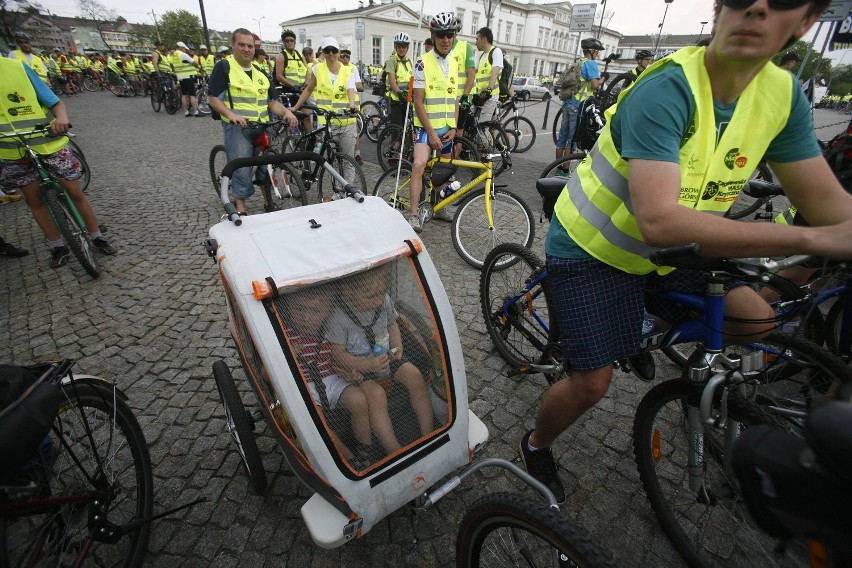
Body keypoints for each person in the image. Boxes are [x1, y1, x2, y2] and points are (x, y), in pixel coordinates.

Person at [519, 0, 852, 505]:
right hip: (595, 249)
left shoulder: (782, 95)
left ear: (806, 22)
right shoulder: (668, 86)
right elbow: (659, 220)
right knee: (592, 384)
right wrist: (809, 239)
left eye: (781, 0)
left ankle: (688, 378)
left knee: (757, 321)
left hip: (675, 253)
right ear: (719, 9)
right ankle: (536, 443)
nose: (758, 7)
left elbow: (830, 205)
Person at [0, 57, 117, 268]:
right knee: (34, 200)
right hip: (10, 151)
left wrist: (60, 118)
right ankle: (57, 245)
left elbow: (54, 101)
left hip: (47, 141)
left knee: (74, 192)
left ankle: (96, 236)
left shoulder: (15, 67)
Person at [283, 284, 399, 463]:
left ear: (328, 311)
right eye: (299, 309)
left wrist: (347, 373)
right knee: (314, 417)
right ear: (288, 309)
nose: (306, 318)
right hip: (303, 386)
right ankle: (348, 457)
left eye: (315, 311)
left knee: (359, 400)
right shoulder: (284, 334)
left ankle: (364, 449)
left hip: (332, 379)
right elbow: (266, 375)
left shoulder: (330, 329)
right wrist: (286, 356)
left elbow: (335, 360)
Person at [325, 266, 434, 450]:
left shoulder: (383, 301)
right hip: (359, 370)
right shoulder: (337, 318)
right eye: (370, 296)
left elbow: (392, 324)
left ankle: (429, 433)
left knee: (415, 375)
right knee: (376, 396)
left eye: (381, 293)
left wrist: (398, 347)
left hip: (386, 356)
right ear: (347, 292)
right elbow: (337, 354)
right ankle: (393, 448)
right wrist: (366, 365)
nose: (378, 300)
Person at [206, 28, 298, 214]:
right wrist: (231, 115)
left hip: (262, 126)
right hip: (238, 127)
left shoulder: (260, 72)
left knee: (265, 166)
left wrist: (286, 112)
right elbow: (213, 98)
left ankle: (267, 201)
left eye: (250, 46)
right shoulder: (225, 67)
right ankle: (240, 207)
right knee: (241, 167)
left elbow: (271, 102)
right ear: (233, 45)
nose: (246, 49)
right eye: (242, 45)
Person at [407, 12, 462, 232]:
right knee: (419, 164)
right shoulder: (422, 63)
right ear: (433, 35)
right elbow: (418, 103)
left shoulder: (455, 62)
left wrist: (455, 127)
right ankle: (412, 215)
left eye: (450, 34)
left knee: (445, 172)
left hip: (446, 129)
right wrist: (430, 134)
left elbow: (455, 100)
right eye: (441, 35)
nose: (446, 39)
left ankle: (440, 208)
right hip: (425, 129)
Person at [292, 37, 359, 190]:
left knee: (348, 161)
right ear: (322, 52)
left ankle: (349, 191)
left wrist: (352, 105)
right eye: (327, 50)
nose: (331, 54)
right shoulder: (317, 69)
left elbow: (350, 90)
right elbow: (309, 89)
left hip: (347, 122)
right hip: (327, 123)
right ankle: (337, 191)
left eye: (334, 50)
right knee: (333, 161)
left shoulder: (348, 71)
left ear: (338, 52)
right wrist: (296, 107)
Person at [554, 38, 605, 168]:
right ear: (592, 51)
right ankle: (565, 171)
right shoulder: (591, 64)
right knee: (572, 139)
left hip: (567, 102)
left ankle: (557, 167)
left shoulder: (577, 62)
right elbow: (594, 86)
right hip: (578, 105)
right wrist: (603, 79)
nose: (597, 54)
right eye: (597, 52)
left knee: (563, 136)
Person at [340, 45, 365, 164]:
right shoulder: (336, 68)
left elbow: (359, 85)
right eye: (343, 56)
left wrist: (351, 85)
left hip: (353, 103)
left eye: (347, 56)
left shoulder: (352, 68)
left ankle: (357, 154)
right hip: (339, 102)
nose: (345, 58)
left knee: (354, 129)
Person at [384, 33, 413, 129]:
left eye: (404, 46)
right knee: (397, 129)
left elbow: (413, 80)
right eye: (399, 46)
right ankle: (395, 144)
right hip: (395, 100)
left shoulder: (410, 62)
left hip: (407, 99)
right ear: (395, 47)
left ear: (407, 47)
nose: (401, 49)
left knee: (406, 128)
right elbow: (392, 82)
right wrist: (400, 94)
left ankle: (403, 144)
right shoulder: (392, 61)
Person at [473, 26, 502, 122]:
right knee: (472, 124)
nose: (475, 42)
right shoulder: (481, 55)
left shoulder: (496, 52)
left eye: (477, 39)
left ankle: (487, 136)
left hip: (490, 97)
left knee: (482, 128)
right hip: (480, 97)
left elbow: (495, 72)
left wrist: (489, 90)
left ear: (484, 39)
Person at [171, 41, 200, 117]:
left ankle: (186, 112)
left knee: (183, 95)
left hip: (180, 78)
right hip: (188, 77)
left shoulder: (174, 55)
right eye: (184, 48)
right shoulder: (183, 55)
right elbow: (195, 63)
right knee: (192, 95)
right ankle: (196, 112)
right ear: (181, 48)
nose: (185, 50)